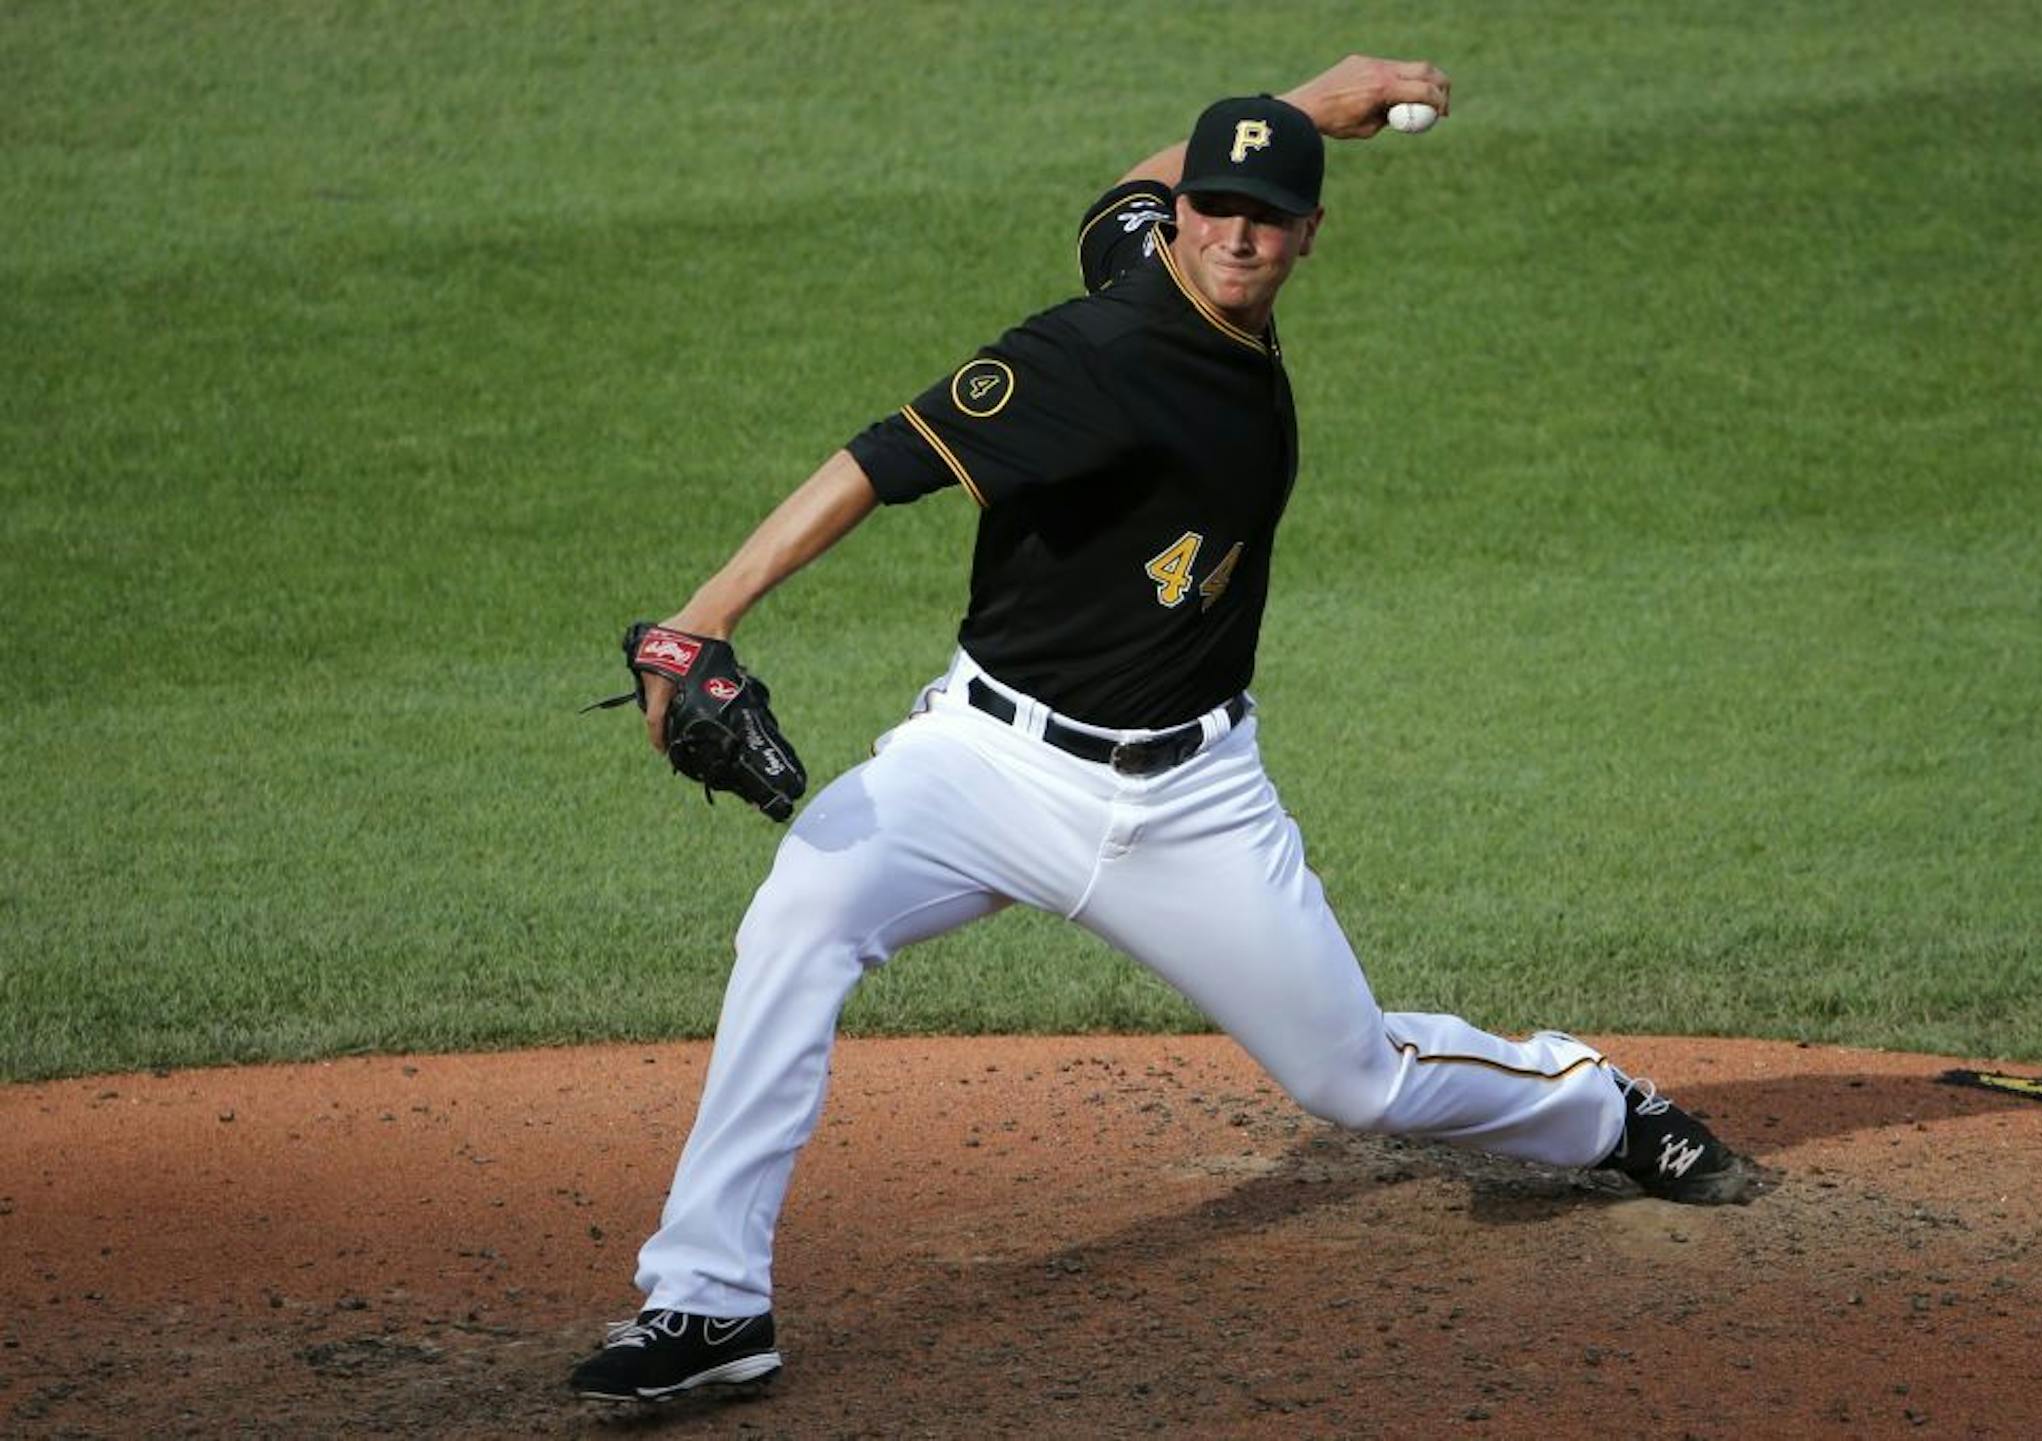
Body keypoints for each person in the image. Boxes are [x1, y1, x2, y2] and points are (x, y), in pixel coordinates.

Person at [569, 54, 1752, 1405]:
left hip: (1191, 802)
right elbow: (878, 459)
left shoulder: (1159, 262)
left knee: (1356, 1077)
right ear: (1184, 217)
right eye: (1214, 205)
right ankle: (710, 1302)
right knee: (800, 915)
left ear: (1311, 232)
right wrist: (699, 617)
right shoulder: (1091, 355)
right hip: (986, 761)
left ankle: (1603, 1107)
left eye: (1267, 209)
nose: (1235, 231)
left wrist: (1314, 101)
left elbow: (1114, 199)